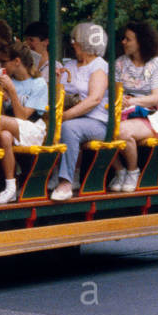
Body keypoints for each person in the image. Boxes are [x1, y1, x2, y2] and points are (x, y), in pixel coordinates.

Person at [51, 22, 110, 200]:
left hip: (97, 121)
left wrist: (64, 116)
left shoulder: (99, 66)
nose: (72, 44)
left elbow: (95, 99)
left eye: (75, 41)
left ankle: (66, 181)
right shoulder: (70, 64)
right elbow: (59, 94)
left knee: (69, 128)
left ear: (85, 43)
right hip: (71, 116)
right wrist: (55, 80)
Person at [110, 21, 158, 192]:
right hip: (124, 111)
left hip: (150, 115)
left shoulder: (157, 64)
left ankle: (133, 171)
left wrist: (133, 101)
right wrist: (121, 99)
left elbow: (156, 97)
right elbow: (116, 92)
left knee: (121, 131)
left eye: (128, 39)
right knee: (101, 129)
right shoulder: (120, 63)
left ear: (140, 41)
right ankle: (119, 170)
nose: (123, 42)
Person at [0, 40, 49, 204]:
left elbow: (23, 117)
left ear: (17, 61)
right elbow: (0, 112)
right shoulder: (9, 81)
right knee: (4, 136)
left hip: (32, 127)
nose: (1, 65)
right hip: (11, 125)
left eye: (4, 62)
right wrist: (0, 95)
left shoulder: (38, 84)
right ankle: (10, 187)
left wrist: (13, 92)